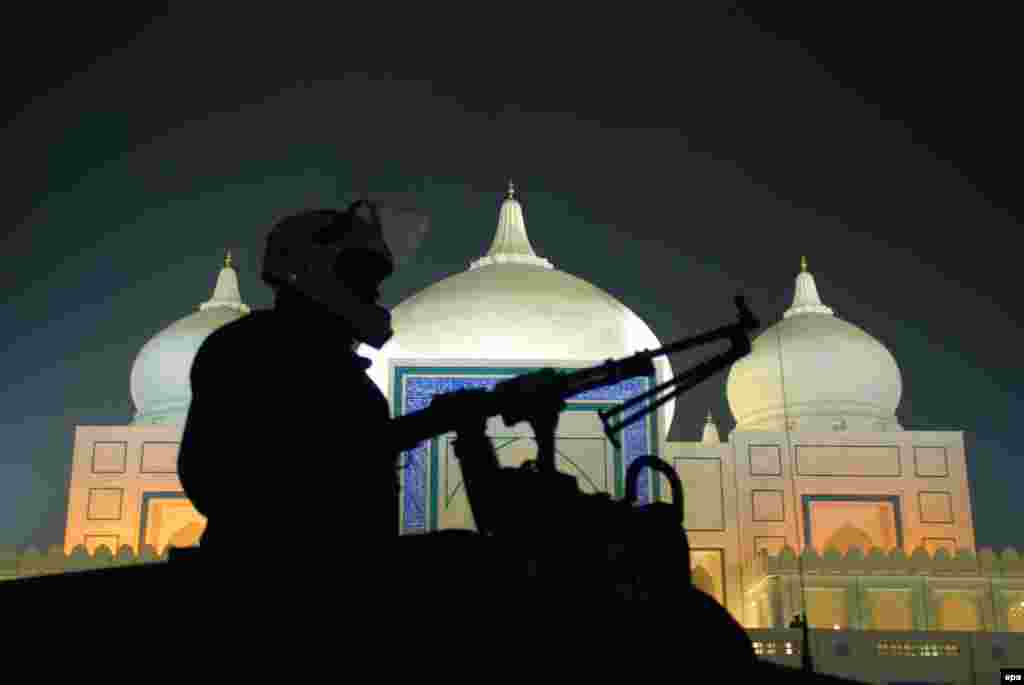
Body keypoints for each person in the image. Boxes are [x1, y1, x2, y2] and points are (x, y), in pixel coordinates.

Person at [177, 200, 400, 566]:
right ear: (319, 274)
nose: (374, 296)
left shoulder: (346, 375)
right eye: (361, 280)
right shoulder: (254, 351)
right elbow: (244, 474)